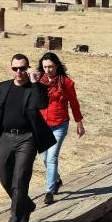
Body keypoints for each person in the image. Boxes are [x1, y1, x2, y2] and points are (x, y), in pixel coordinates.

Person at [0, 54, 56, 222]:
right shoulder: (4, 87)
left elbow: (42, 104)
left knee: (20, 181)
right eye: (15, 68)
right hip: (5, 138)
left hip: (27, 139)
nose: (19, 72)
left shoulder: (35, 87)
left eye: (22, 68)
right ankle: (26, 205)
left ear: (28, 68)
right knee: (6, 179)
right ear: (11, 69)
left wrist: (35, 82)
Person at [37, 52, 85, 205]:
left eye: (50, 67)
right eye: (45, 67)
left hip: (60, 124)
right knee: (44, 158)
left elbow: (74, 103)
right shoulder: (38, 81)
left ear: (57, 66)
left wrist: (79, 123)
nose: (48, 70)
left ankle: (49, 191)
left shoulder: (66, 83)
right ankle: (56, 180)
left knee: (52, 157)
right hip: (42, 125)